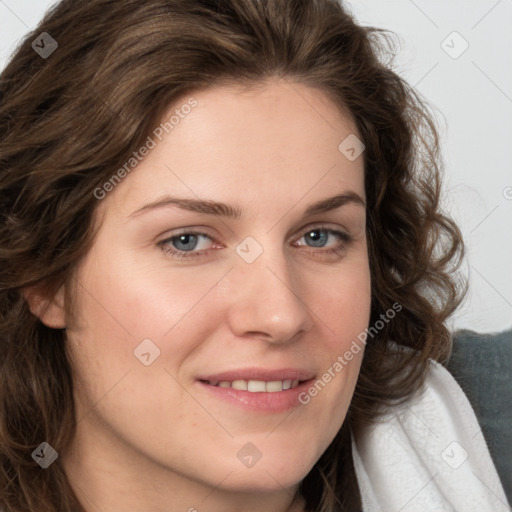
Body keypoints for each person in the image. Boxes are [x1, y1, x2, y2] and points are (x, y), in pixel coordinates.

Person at [0, 1, 508, 511]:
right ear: (44, 275)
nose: (280, 315)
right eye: (188, 241)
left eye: (319, 236)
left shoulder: (492, 428)